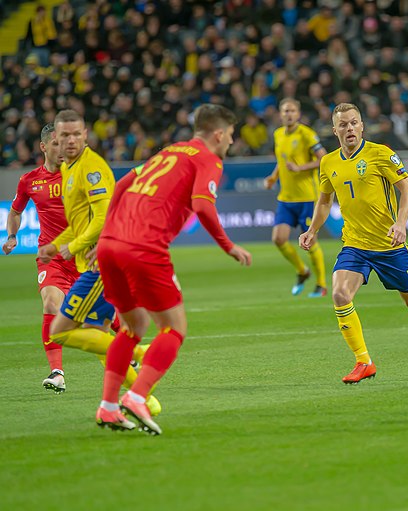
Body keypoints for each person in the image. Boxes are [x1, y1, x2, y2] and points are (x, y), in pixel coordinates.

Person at [95, 104, 252, 435]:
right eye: (231, 135)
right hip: (144, 246)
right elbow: (202, 205)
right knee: (174, 327)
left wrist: (108, 232)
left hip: (110, 244)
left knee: (132, 326)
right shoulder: (209, 159)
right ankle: (137, 397)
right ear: (218, 133)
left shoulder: (169, 152)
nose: (231, 142)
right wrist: (229, 245)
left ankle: (108, 407)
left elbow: (122, 184)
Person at [298, 103, 408, 383]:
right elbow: (325, 200)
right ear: (334, 129)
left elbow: (407, 188)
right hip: (355, 245)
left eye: (354, 123)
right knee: (339, 295)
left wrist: (400, 222)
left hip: (388, 245)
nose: (349, 128)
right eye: (343, 124)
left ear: (362, 126)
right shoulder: (328, 163)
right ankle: (364, 362)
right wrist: (313, 229)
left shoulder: (381, 154)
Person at [37, 110, 153, 406]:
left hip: (105, 259)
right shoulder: (69, 169)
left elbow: (102, 217)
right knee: (95, 332)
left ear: (86, 134)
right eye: (65, 136)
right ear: (56, 140)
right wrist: (55, 245)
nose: (71, 140)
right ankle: (140, 398)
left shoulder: (91, 168)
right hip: (101, 258)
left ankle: (138, 357)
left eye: (76, 134)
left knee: (61, 330)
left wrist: (73, 245)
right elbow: (79, 222)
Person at [3, 123, 80, 392]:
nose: (63, 149)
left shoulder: (81, 175)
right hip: (51, 257)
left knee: (105, 316)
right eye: (56, 144)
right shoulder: (29, 181)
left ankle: (130, 354)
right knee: (50, 303)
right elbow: (14, 211)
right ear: (44, 146)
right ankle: (57, 372)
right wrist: (12, 236)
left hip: (83, 255)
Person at [265, 98, 328, 297]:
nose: (289, 114)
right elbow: (282, 161)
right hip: (286, 198)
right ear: (280, 114)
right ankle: (302, 271)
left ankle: (321, 285)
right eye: (285, 111)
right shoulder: (278, 134)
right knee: (278, 239)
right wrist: (273, 177)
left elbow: (323, 158)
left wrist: (300, 168)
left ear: (298, 114)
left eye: (292, 111)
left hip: (307, 198)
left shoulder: (307, 134)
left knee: (310, 242)